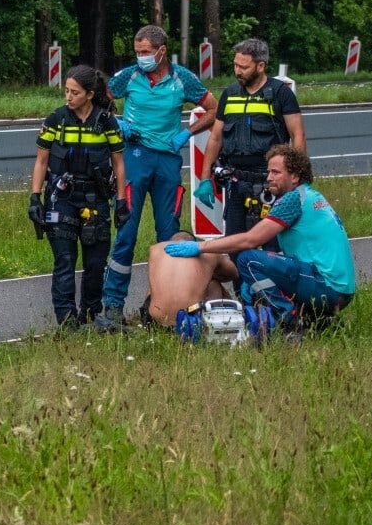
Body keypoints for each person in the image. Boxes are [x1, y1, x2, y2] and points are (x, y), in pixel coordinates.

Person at [96, 25, 218, 331]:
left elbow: (214, 109)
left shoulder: (182, 79)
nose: (141, 58)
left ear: (162, 50)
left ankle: (161, 305)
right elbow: (99, 100)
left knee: (169, 237)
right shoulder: (130, 76)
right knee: (126, 232)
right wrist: (118, 123)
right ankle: (112, 305)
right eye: (137, 52)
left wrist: (187, 133)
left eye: (146, 52)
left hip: (168, 162)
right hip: (135, 158)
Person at [164, 144, 355, 333]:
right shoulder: (310, 196)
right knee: (262, 274)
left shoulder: (292, 199)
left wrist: (201, 247)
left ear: (295, 177)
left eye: (276, 172)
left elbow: (251, 240)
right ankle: (318, 321)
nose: (269, 177)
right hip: (338, 289)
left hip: (326, 287)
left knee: (247, 259)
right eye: (268, 172)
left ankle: (289, 321)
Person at [28, 65, 127, 327]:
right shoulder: (55, 120)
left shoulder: (106, 122)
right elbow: (41, 161)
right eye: (66, 91)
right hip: (62, 199)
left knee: (95, 263)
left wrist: (121, 202)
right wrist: (34, 198)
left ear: (90, 94)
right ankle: (67, 319)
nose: (68, 97)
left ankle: (92, 313)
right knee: (65, 260)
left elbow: (118, 164)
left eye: (74, 92)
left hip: (96, 200)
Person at [195, 38, 305, 236]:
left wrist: (298, 179)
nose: (237, 71)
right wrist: (204, 179)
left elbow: (298, 135)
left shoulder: (281, 94)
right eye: (236, 65)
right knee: (235, 246)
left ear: (261, 66)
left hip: (271, 183)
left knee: (274, 247)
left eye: (243, 67)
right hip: (236, 183)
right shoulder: (229, 94)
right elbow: (216, 139)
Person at [142, 230, 238, 328]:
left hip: (156, 321)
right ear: (194, 243)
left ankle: (147, 318)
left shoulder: (154, 249)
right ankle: (221, 321)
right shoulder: (207, 251)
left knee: (155, 286)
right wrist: (209, 273)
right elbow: (234, 273)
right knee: (214, 284)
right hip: (191, 318)